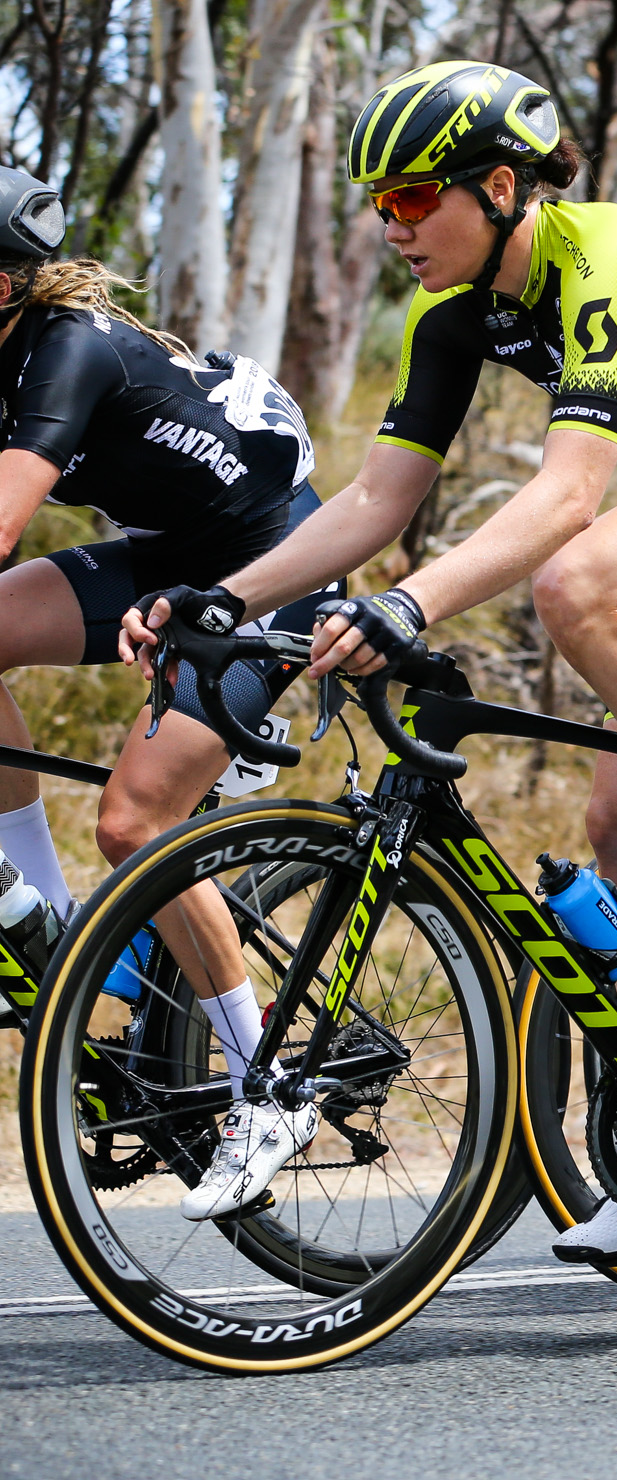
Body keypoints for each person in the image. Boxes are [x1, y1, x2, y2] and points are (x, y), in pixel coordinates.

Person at [125, 61, 617, 1257]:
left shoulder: (606, 252)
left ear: (500, 186)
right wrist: (221, 597)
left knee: (580, 577)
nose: (390, 226)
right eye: (378, 205)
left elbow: (566, 497)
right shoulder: (453, 315)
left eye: (409, 198)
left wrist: (410, 605)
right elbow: (376, 497)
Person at [0, 166, 333, 1220]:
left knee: (138, 821)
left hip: (272, 562)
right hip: (163, 554)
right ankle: (46, 918)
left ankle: (267, 1081)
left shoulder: (69, 349)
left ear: (5, 282)